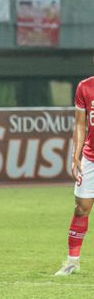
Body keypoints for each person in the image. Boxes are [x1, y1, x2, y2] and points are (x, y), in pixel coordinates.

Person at [55, 75, 94, 276]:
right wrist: (75, 155)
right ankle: (72, 262)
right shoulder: (85, 87)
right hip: (90, 158)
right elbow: (80, 123)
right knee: (81, 208)